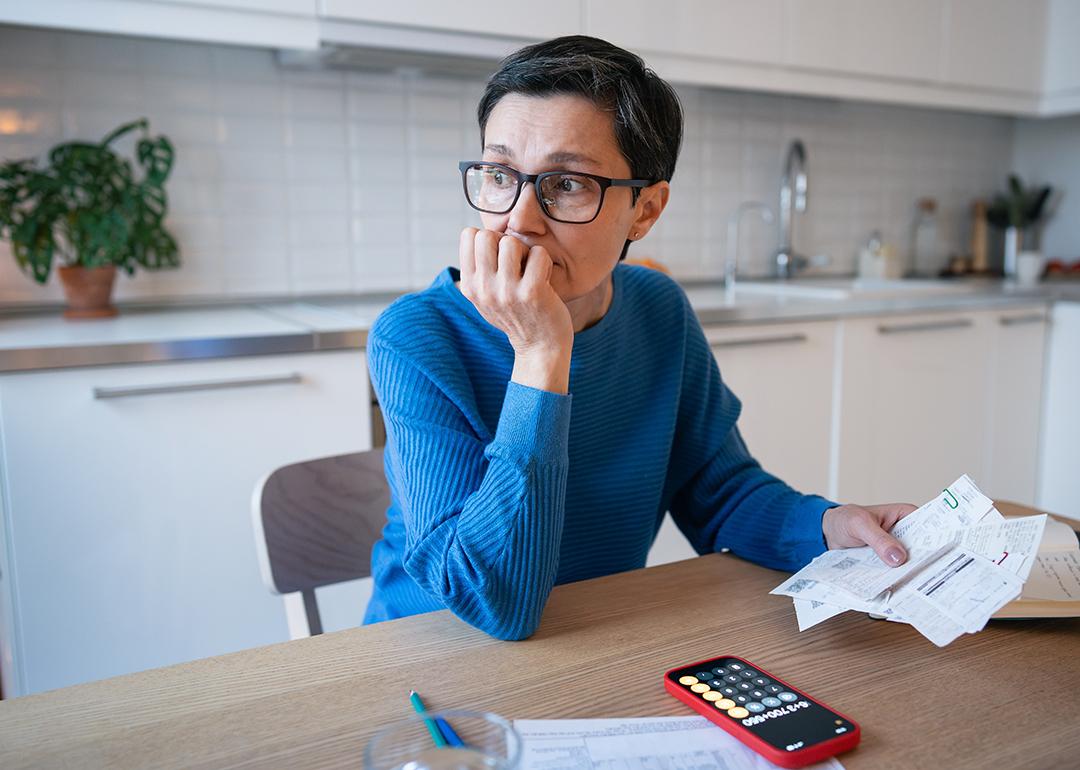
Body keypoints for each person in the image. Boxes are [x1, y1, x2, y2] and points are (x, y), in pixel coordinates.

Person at [363, 35, 915, 640]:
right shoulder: (416, 337)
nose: (519, 219)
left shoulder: (658, 310)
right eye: (500, 175)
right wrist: (542, 355)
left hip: (597, 640)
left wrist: (828, 525)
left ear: (646, 210)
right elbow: (494, 602)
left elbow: (719, 492)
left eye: (567, 183)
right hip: (429, 659)